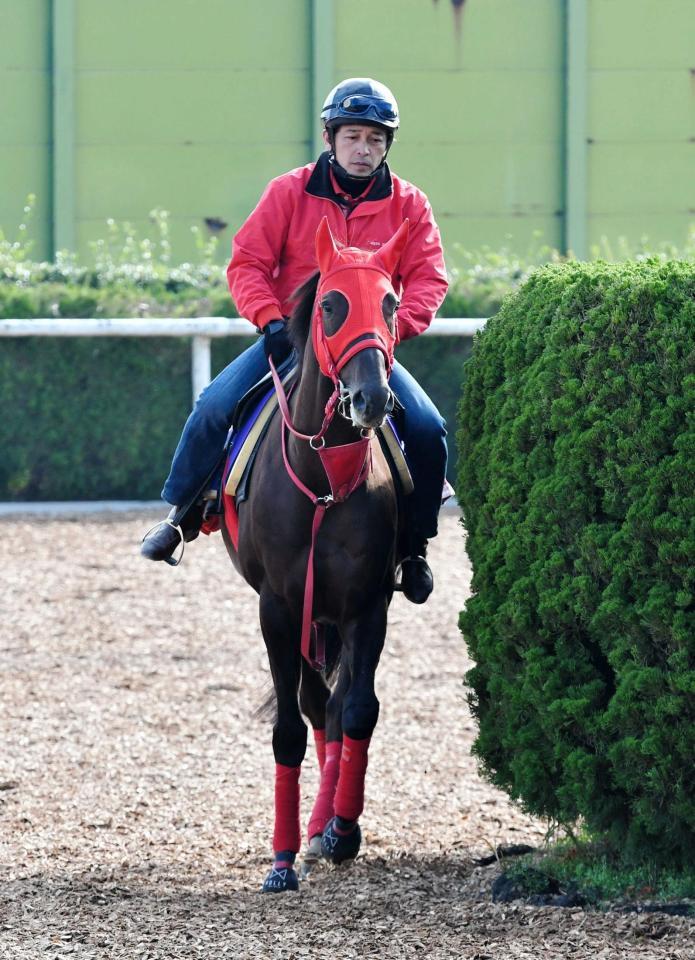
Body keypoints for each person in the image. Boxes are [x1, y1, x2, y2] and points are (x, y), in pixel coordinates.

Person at [141, 77, 448, 603]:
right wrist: (270, 322)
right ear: (330, 137)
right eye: (352, 136)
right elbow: (248, 264)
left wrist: (392, 331)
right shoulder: (288, 191)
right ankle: (180, 513)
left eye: (375, 139)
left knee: (427, 427)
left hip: (363, 352)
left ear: (387, 145)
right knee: (214, 405)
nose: (363, 149)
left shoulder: (410, 204)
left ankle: (415, 546)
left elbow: (429, 279)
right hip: (289, 342)